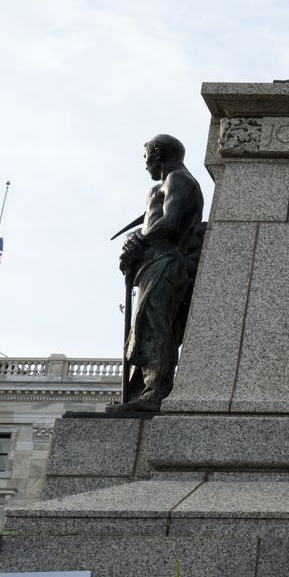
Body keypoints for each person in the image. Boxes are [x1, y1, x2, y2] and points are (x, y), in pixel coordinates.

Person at [113, 135, 204, 415]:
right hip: (153, 261)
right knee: (141, 329)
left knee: (153, 325)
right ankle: (140, 391)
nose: (145, 165)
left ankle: (156, 393)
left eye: (145, 158)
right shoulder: (162, 186)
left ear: (156, 153)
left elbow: (171, 222)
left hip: (167, 259)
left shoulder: (179, 180)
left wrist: (138, 241)